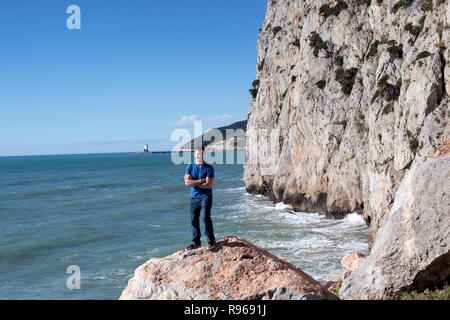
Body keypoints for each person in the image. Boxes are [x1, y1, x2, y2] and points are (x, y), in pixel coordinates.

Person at [184, 145, 216, 250]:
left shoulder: (209, 168)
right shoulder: (190, 167)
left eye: (201, 154)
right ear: (194, 154)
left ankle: (211, 240)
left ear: (204, 154)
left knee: (205, 217)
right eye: (197, 154)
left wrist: (194, 182)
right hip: (194, 197)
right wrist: (200, 181)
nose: (199, 156)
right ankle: (196, 242)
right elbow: (187, 183)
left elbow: (208, 185)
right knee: (194, 220)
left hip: (206, 196)